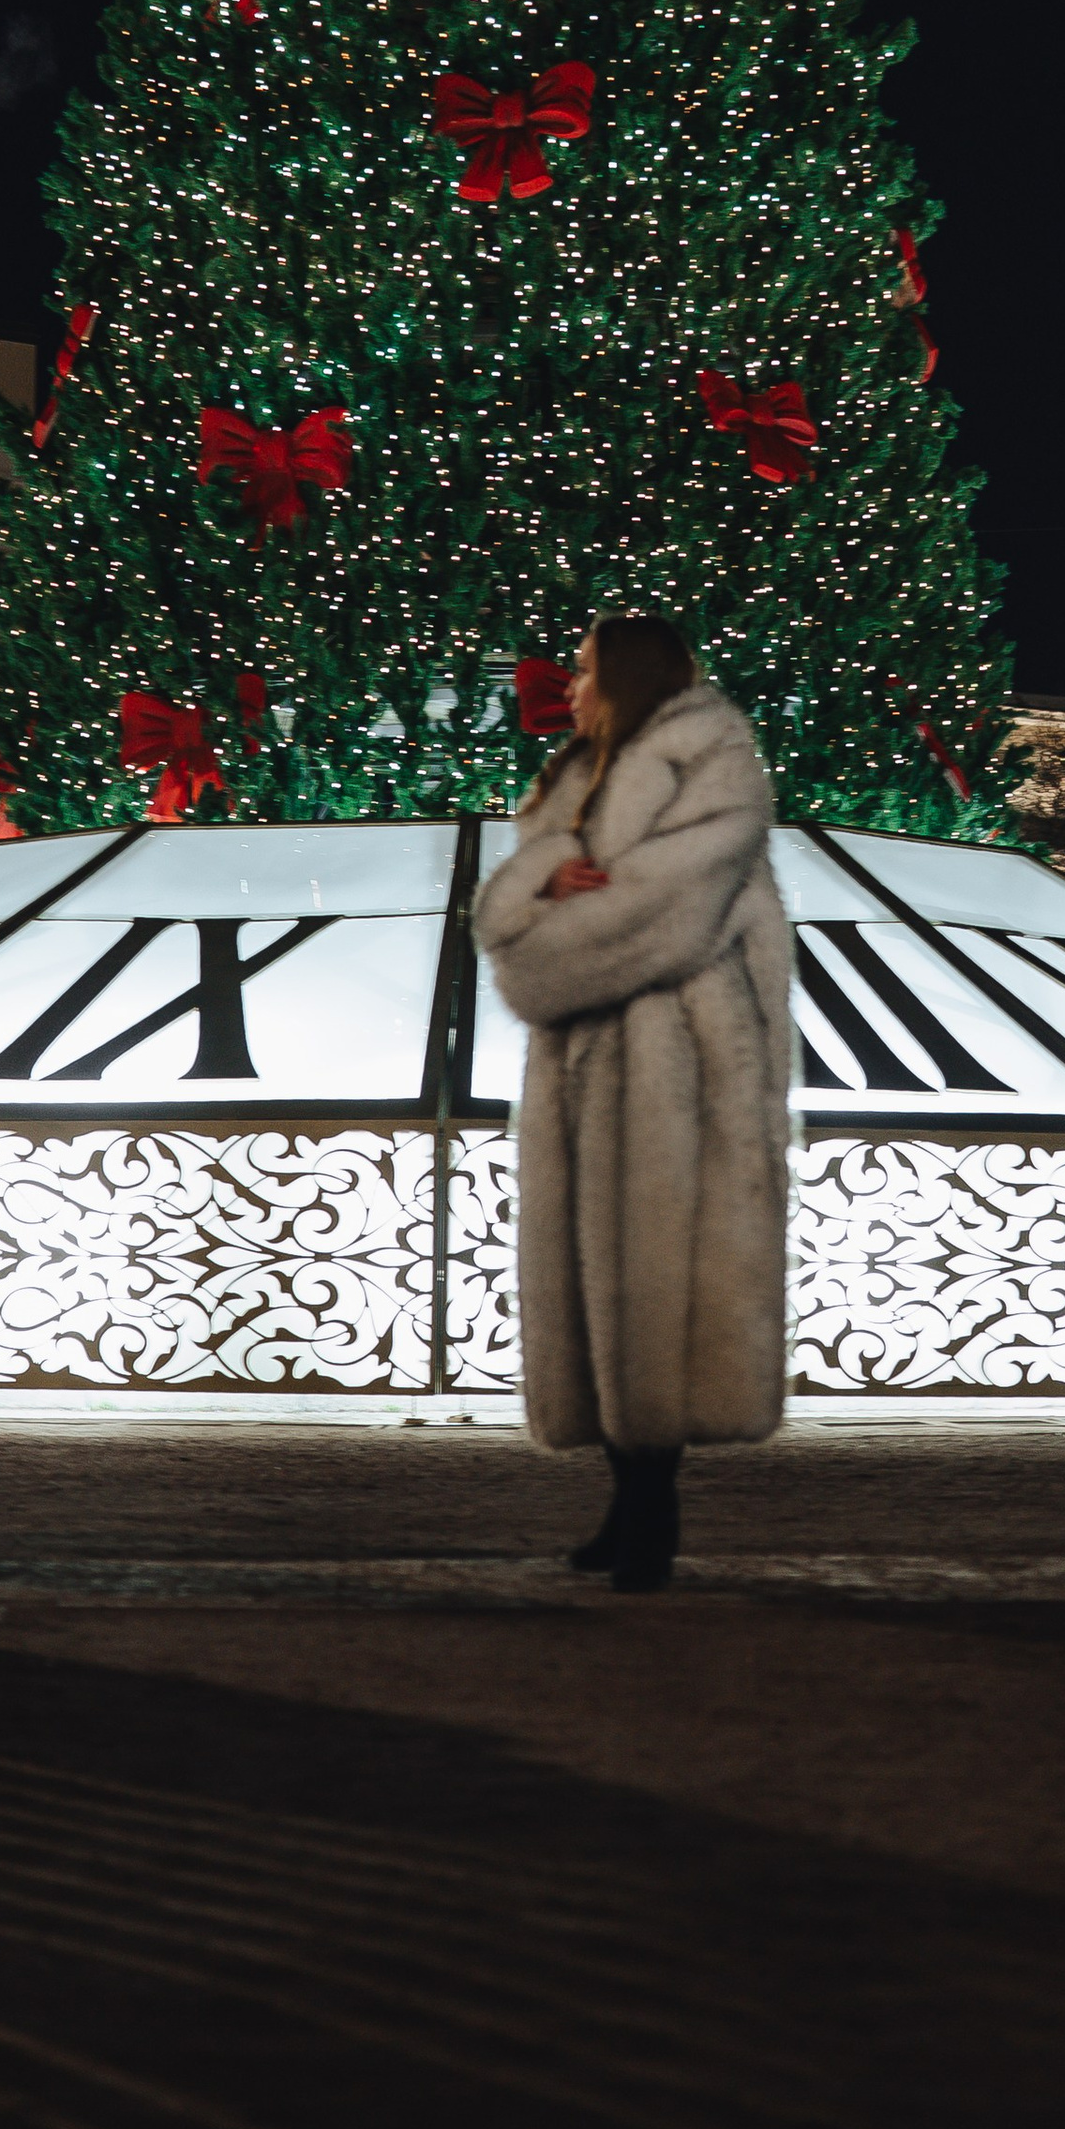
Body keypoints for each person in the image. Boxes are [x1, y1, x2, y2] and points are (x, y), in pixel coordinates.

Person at [474, 616, 794, 1592]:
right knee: (596, 1288)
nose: (565, 686)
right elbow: (511, 902)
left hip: (681, 1061)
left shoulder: (714, 766)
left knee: (654, 1284)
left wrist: (542, 933)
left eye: (580, 670)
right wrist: (542, 885)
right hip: (587, 1062)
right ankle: (626, 1501)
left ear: (626, 675)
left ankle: (652, 1510)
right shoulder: (577, 777)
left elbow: (654, 918)